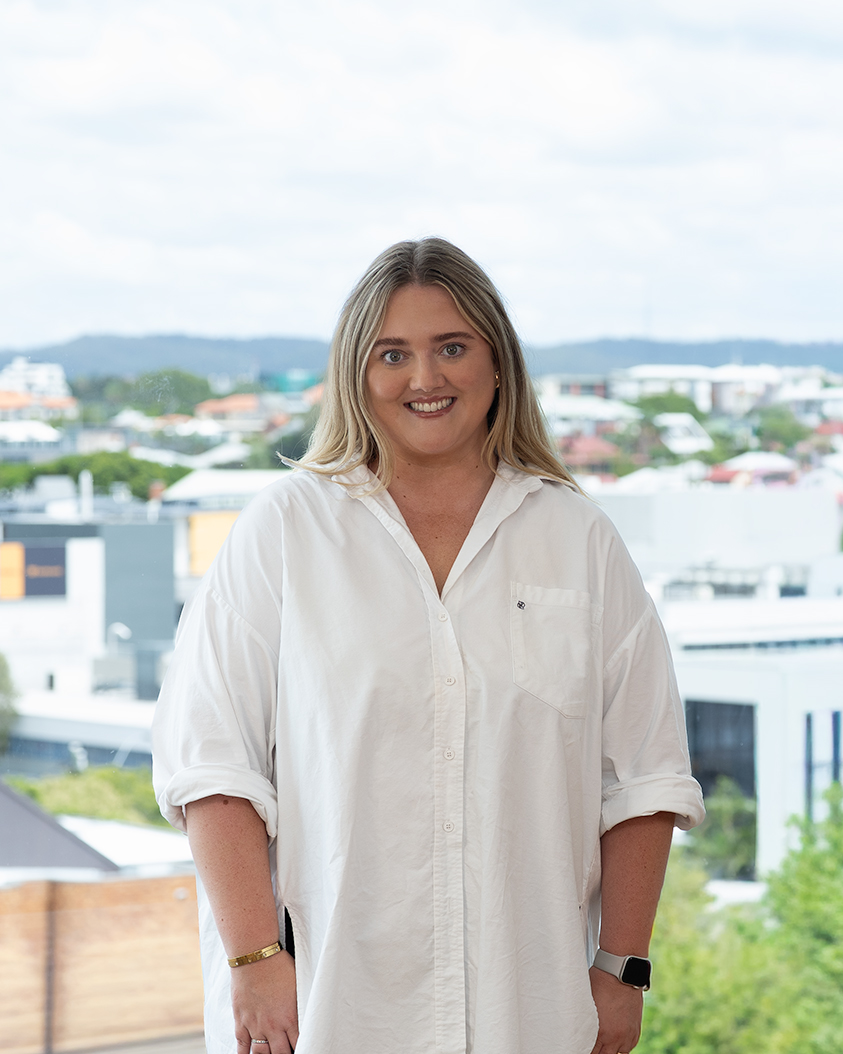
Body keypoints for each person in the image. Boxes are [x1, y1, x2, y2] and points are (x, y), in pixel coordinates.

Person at [152, 237, 705, 1054]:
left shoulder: (579, 540)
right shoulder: (284, 532)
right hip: (327, 1009)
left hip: (531, 1013)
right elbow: (211, 763)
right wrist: (254, 960)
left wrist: (619, 972)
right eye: (392, 354)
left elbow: (643, 779)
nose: (424, 378)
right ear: (356, 372)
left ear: (496, 362)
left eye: (451, 347)